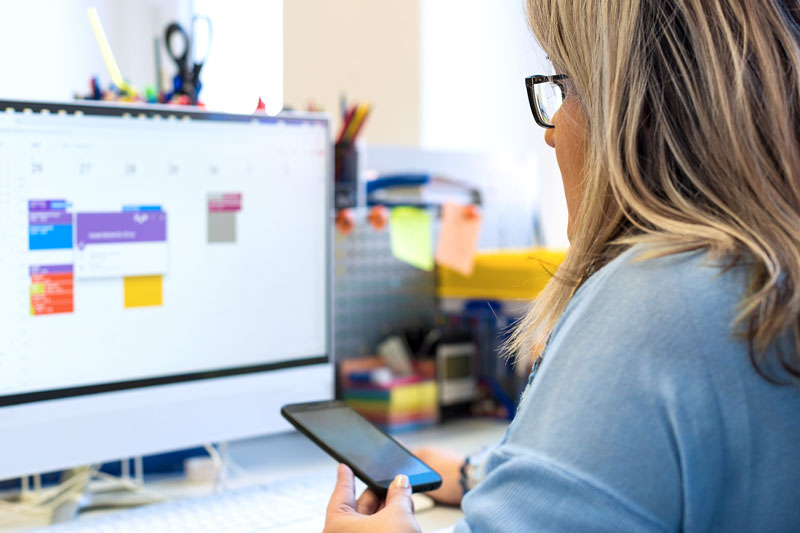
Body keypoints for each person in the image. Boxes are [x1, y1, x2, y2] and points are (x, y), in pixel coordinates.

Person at [324, 0, 800, 530]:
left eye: (564, 85)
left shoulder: (658, 295)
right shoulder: (765, 274)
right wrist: (485, 472)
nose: (551, 131)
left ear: (632, 106)